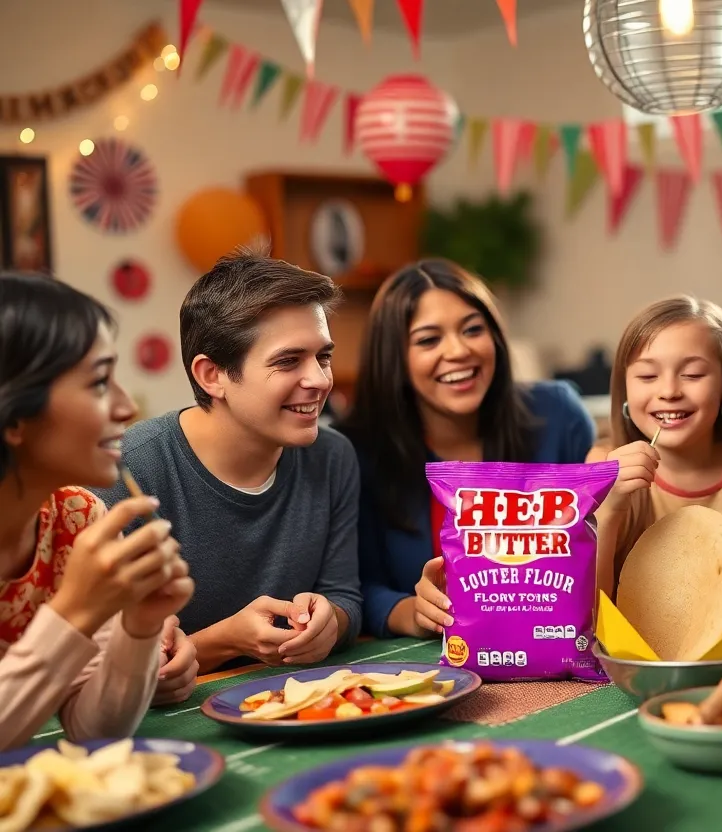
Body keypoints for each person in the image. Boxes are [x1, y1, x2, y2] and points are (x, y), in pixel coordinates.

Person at [97, 253, 362, 673]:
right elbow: (94, 665)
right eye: (288, 361)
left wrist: (332, 621)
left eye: (323, 357)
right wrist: (221, 641)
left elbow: (344, 595)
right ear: (211, 375)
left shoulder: (333, 457)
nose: (319, 379)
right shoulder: (124, 474)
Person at [338, 259, 596, 638]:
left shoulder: (559, 415)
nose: (458, 351)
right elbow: (358, 586)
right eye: (428, 339)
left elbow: (602, 547)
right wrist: (412, 611)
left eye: (472, 329)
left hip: (554, 647)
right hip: (433, 662)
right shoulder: (357, 452)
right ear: (394, 359)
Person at [0, 273, 194, 748]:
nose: (127, 407)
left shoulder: (75, 518)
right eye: (100, 382)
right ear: (15, 415)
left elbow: (95, 730)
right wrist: (74, 613)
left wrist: (141, 626)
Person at [588, 296, 722, 599]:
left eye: (692, 374)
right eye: (647, 376)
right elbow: (581, 617)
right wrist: (609, 509)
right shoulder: (602, 465)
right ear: (624, 389)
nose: (669, 391)